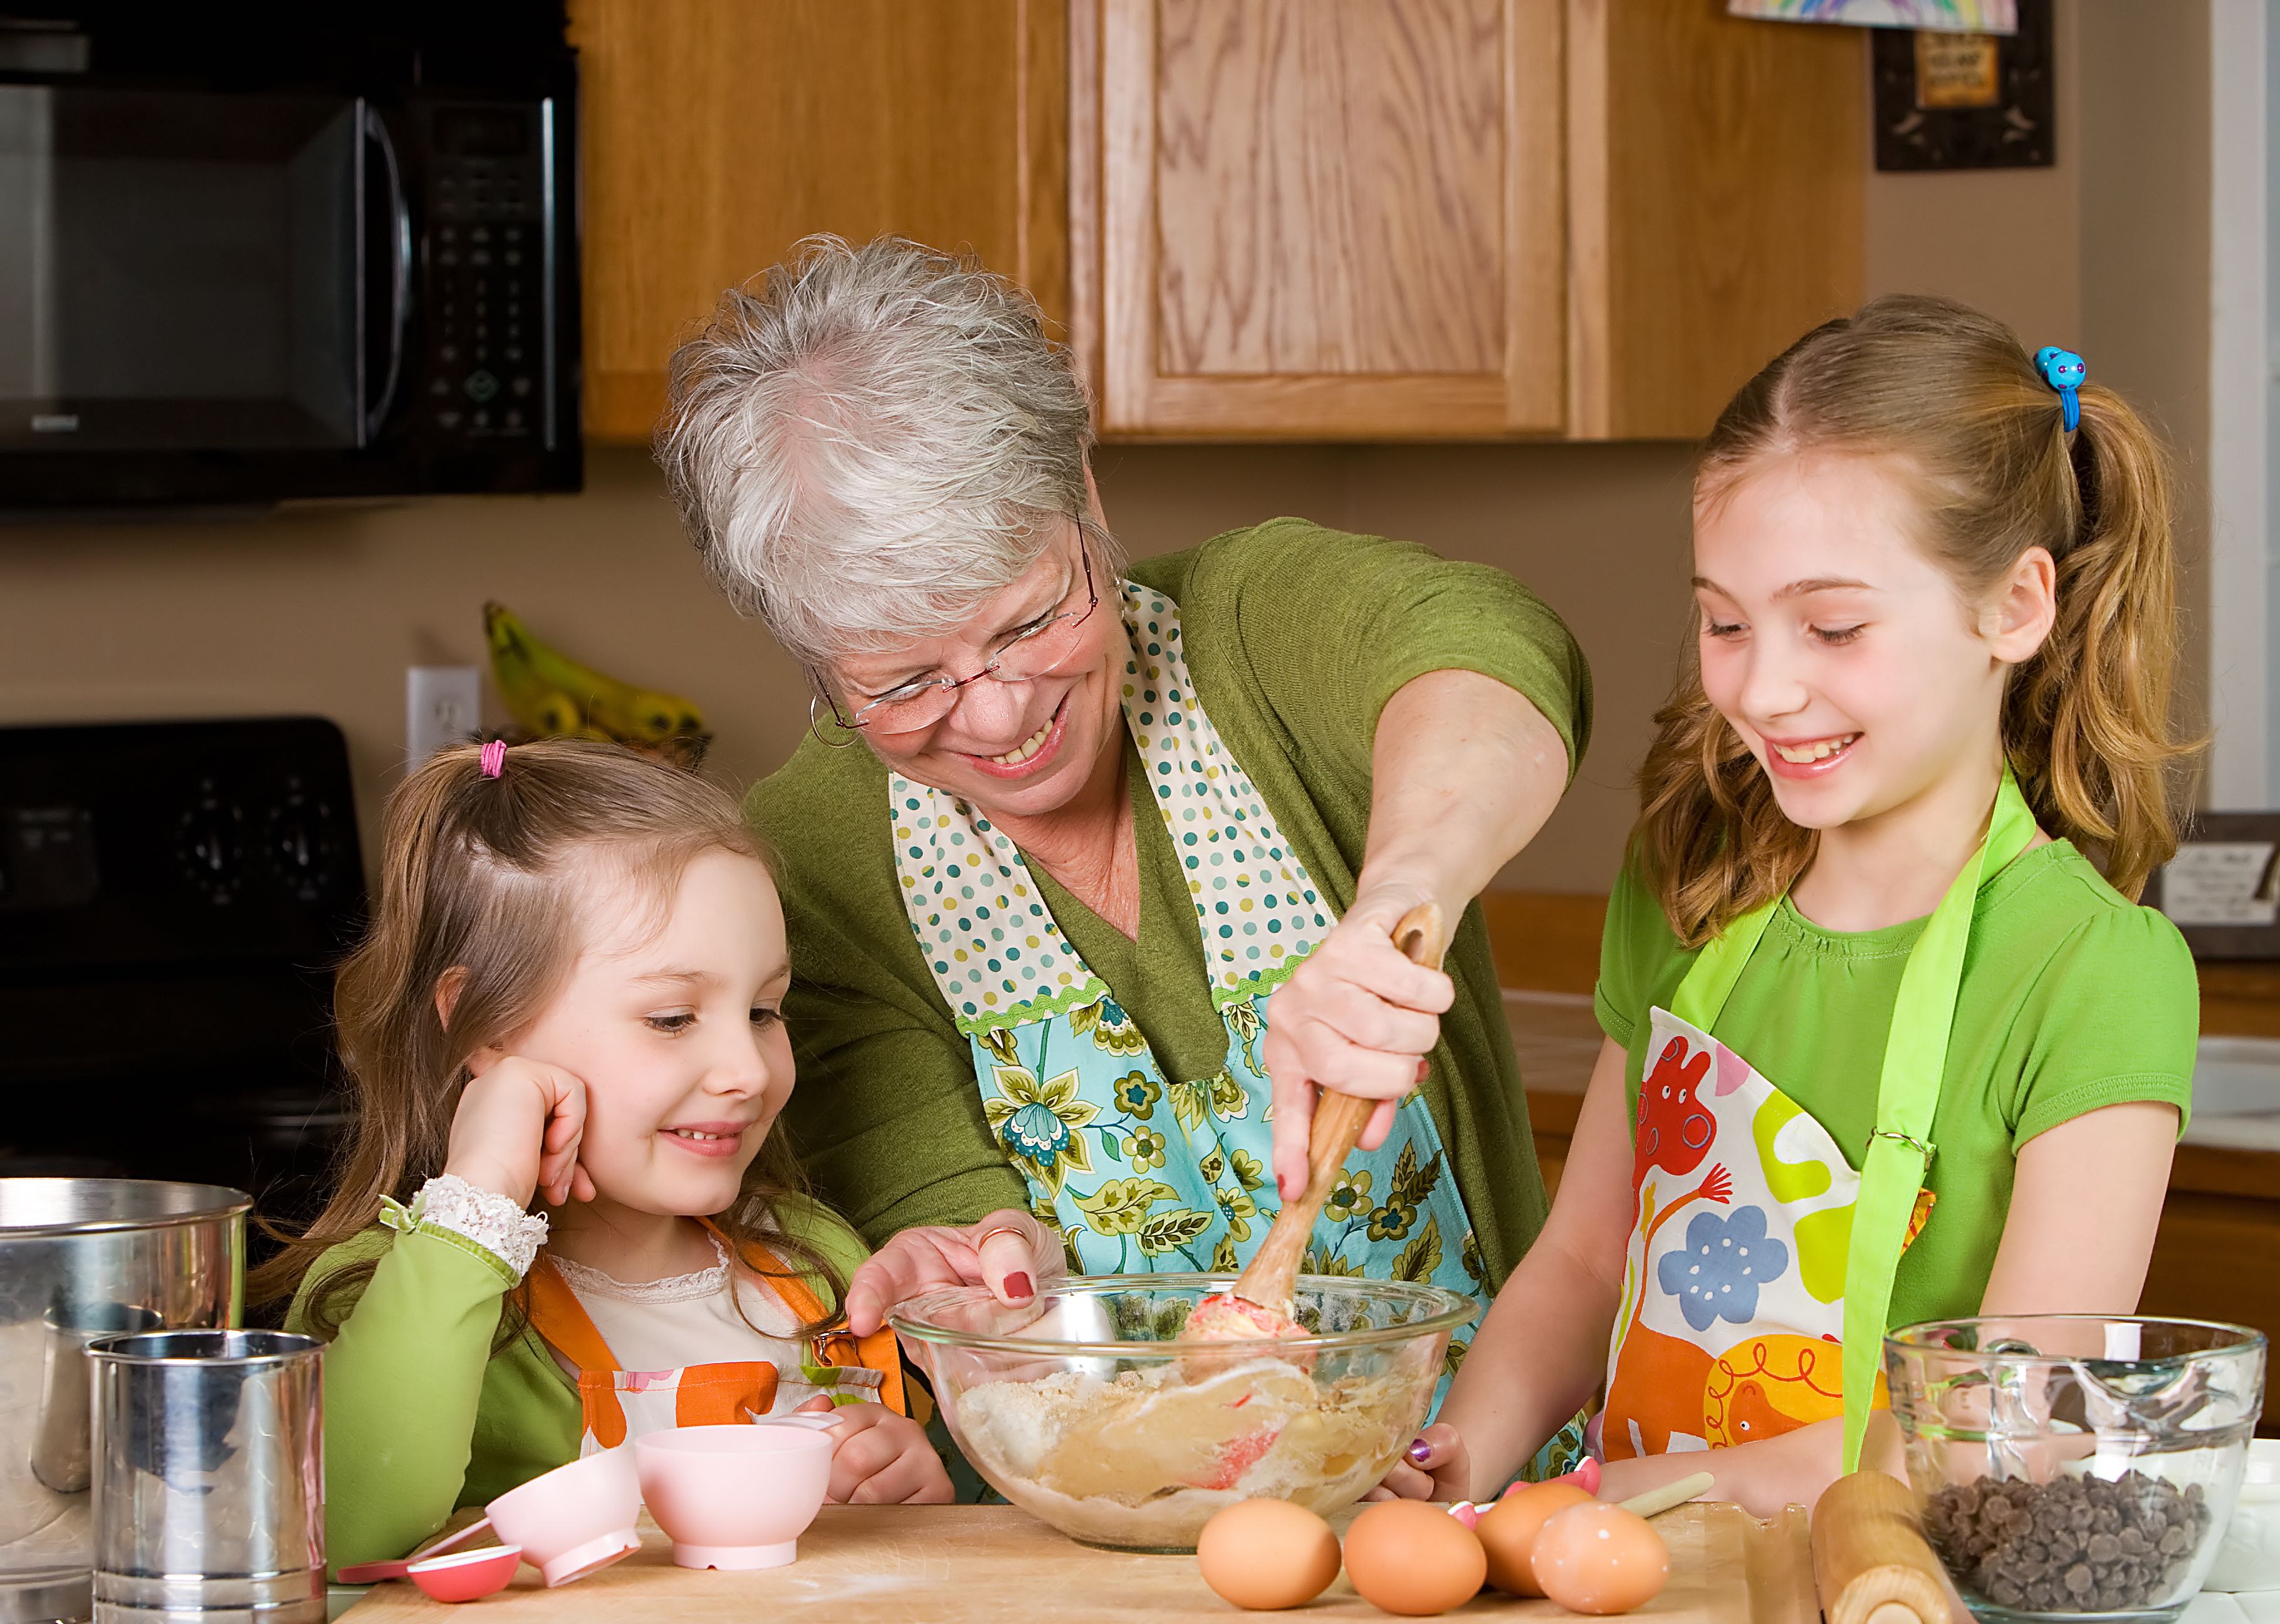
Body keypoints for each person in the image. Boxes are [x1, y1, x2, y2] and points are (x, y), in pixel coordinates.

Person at [654, 236, 1591, 1384]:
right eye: (905, 684)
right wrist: (991, 1268)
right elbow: (942, 1201)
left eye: (1030, 621)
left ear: (1084, 495)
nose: (998, 718)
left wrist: (1399, 895)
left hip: (1474, 1482)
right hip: (1097, 1506)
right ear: (810, 655)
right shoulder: (816, 863)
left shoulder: (1254, 631)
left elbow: (1493, 654)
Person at [1378, 296, 2199, 1514]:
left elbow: (2002, 1433)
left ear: (2016, 608)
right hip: (1635, 1578)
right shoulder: (1691, 888)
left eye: (1833, 625)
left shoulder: (2093, 969)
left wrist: (1625, 1502)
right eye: (1724, 620)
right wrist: (1458, 1463)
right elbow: (1588, 1261)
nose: (1763, 685)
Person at [259, 739, 948, 1571]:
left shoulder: (813, 1263)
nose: (745, 1071)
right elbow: (348, 1533)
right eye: (672, 1018)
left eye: (766, 1010)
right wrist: (479, 1197)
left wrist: (895, 1479)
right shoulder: (386, 1290)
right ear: (486, 1025)